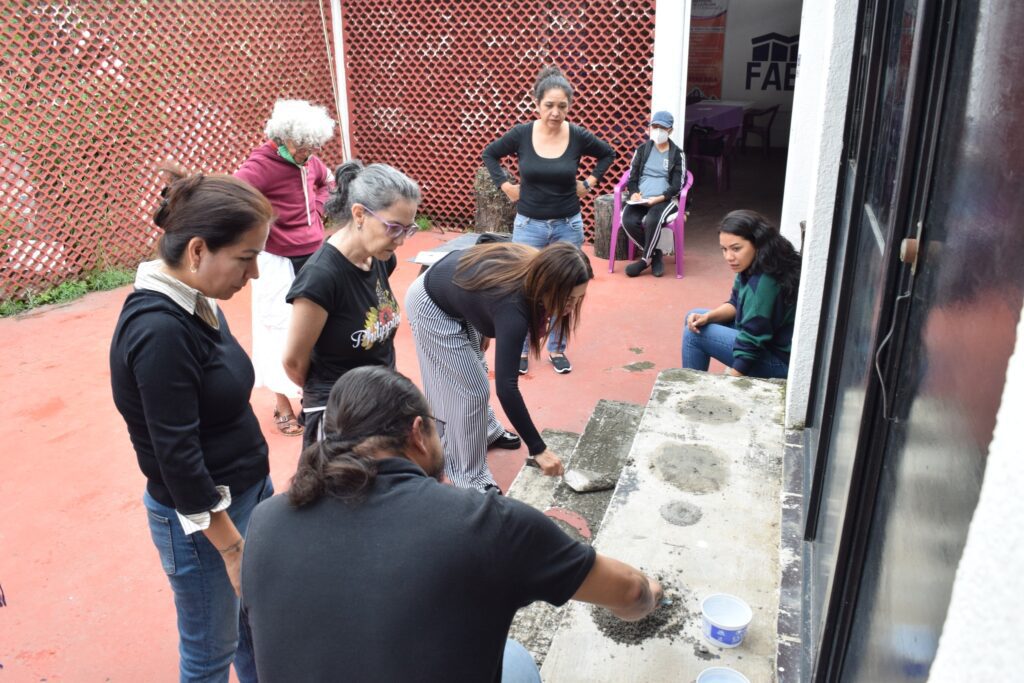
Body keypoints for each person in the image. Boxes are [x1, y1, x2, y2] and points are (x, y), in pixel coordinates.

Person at [241, 366, 664, 683]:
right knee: (516, 661)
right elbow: (629, 593)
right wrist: (651, 593)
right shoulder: (484, 524)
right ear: (418, 433)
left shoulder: (265, 520)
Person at [110, 167, 275, 682]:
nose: (254, 276)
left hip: (245, 493)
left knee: (255, 629)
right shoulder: (160, 330)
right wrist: (230, 547)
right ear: (199, 250)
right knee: (209, 655)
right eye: (246, 259)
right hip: (205, 522)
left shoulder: (198, 299)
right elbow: (177, 459)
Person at [406, 241, 593, 492]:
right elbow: (506, 388)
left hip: (458, 293)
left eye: (577, 299)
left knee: (477, 371)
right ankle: (468, 475)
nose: (570, 308)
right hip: (430, 303)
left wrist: (482, 317)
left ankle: (486, 431)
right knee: (470, 391)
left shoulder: (537, 270)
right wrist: (539, 448)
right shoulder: (512, 306)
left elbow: (480, 274)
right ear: (548, 285)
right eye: (567, 299)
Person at [482, 65, 614, 375]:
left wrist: (590, 183)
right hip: (529, 226)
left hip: (568, 225)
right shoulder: (522, 134)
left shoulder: (578, 135)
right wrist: (505, 186)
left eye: (562, 106)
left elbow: (607, 154)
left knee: (566, 289)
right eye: (549, 105)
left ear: (569, 105)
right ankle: (523, 347)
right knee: (523, 288)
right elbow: (490, 153)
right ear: (537, 103)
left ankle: (556, 347)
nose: (555, 112)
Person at [282, 161, 421, 449]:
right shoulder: (321, 277)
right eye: (393, 228)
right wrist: (336, 391)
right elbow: (294, 362)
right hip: (341, 414)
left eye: (407, 230)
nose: (400, 241)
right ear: (359, 214)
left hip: (380, 398)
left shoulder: (380, 257)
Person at [235, 99, 336, 437]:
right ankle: (282, 403)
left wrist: (319, 208)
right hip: (276, 259)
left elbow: (327, 181)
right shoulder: (260, 166)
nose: (309, 153)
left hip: (313, 255)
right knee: (277, 329)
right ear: (282, 138)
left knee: (315, 327)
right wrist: (263, 229)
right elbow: (234, 199)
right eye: (304, 146)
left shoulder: (310, 161)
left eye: (314, 146)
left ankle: (311, 397)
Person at [682, 210, 801, 378]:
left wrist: (732, 383)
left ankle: (690, 393)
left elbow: (753, 340)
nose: (729, 257)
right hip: (766, 342)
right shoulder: (754, 263)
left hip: (779, 361)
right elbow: (735, 303)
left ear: (757, 242)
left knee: (693, 336)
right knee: (694, 317)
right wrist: (708, 317)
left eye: (736, 249)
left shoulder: (765, 281)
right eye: (724, 249)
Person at [621, 110, 686, 278]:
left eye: (662, 128)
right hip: (641, 199)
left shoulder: (677, 154)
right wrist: (634, 193)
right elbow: (632, 177)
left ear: (670, 130)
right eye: (654, 127)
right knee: (627, 219)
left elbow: (677, 185)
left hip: (664, 199)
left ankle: (644, 260)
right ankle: (655, 253)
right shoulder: (642, 150)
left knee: (652, 220)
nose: (657, 131)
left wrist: (659, 198)